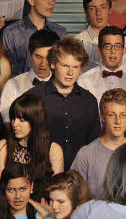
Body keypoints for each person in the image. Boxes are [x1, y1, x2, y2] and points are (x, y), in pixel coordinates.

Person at [24, 36, 100, 165]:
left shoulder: (89, 101)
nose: (70, 72)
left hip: (79, 175)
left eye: (76, 67)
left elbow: (93, 145)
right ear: (53, 64)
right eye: (65, 65)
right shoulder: (33, 97)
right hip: (42, 174)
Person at [71, 88, 126, 197]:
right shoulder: (86, 154)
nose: (117, 121)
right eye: (111, 114)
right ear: (102, 117)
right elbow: (75, 197)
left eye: (123, 115)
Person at [2, 0, 68, 75]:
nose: (51, 3)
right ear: (31, 0)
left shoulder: (60, 32)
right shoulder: (12, 32)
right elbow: (8, 72)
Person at [0, 93, 63, 184]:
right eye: (13, 118)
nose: (14, 124)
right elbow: (1, 185)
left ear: (36, 121)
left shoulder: (53, 149)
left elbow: (57, 188)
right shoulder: (3, 146)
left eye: (22, 120)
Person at [0, 29, 57, 122]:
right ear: (30, 55)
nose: (43, 63)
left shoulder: (64, 85)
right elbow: (7, 121)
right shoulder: (13, 85)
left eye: (48, 58)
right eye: (38, 57)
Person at [77, 0, 126, 71]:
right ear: (86, 12)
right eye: (92, 8)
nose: (98, 13)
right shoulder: (77, 41)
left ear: (110, 9)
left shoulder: (125, 42)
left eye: (103, 7)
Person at [77, 26, 126, 101]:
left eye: (117, 46)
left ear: (124, 50)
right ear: (99, 50)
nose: (113, 51)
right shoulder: (84, 81)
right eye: (107, 46)